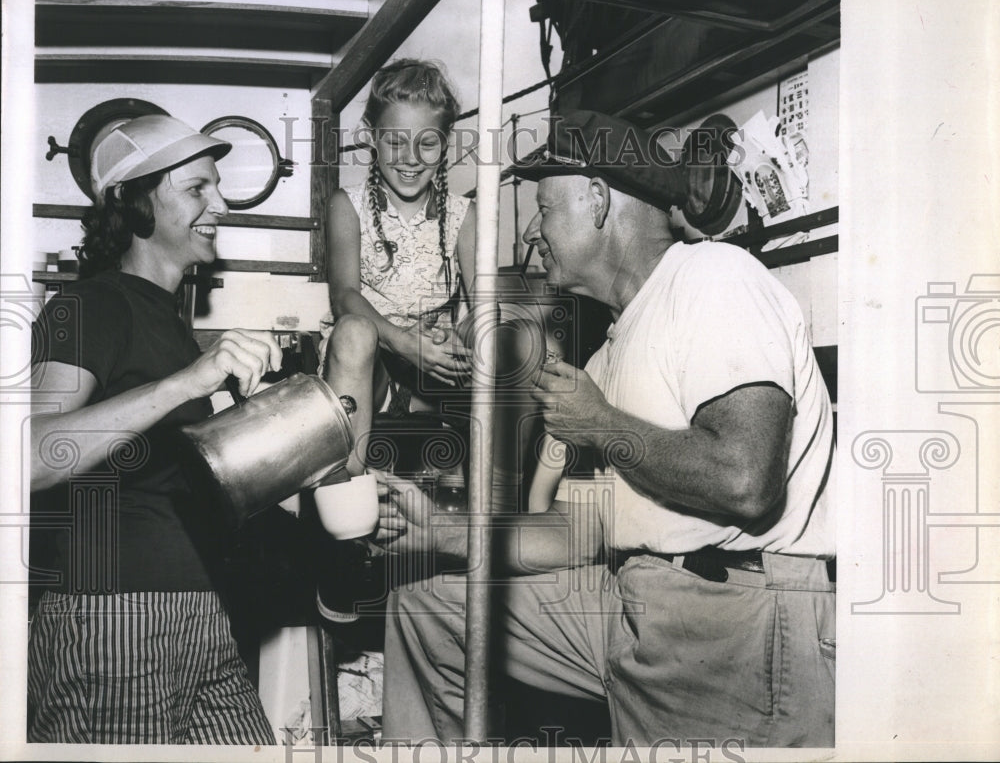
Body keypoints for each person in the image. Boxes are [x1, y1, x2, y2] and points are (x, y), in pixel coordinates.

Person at [375, 110, 836, 747]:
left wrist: (601, 422)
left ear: (597, 199)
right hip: (631, 594)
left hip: (730, 615)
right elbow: (580, 529)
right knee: (430, 607)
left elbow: (745, 481)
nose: (533, 230)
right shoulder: (608, 352)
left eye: (543, 206)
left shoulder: (713, 280)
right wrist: (441, 533)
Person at [28, 114, 377, 744]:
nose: (219, 204)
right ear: (134, 206)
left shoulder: (170, 324)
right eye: (197, 189)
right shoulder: (92, 305)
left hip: (201, 614)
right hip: (117, 617)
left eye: (216, 187)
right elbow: (27, 457)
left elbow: (195, 487)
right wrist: (185, 384)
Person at [320, 58, 476, 414]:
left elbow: (485, 307)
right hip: (368, 358)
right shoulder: (347, 205)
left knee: (508, 338)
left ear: (446, 142)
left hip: (433, 363)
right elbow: (344, 297)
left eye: (428, 144)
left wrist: (457, 337)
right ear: (373, 136)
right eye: (395, 142)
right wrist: (401, 341)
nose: (411, 159)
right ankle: (350, 468)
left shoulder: (464, 215)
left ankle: (485, 466)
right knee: (356, 334)